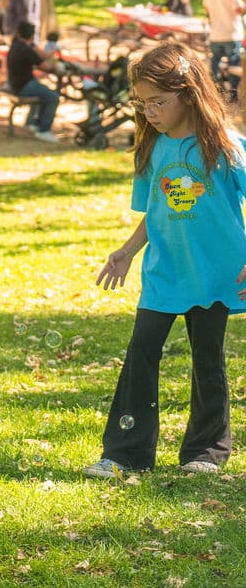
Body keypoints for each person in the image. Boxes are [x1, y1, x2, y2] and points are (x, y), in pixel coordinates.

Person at [84, 43, 246, 479]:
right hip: (165, 273)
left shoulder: (225, 146)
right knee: (141, 353)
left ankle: (206, 451)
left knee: (207, 358)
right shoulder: (152, 148)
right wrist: (126, 251)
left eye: (158, 101)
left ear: (189, 93)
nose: (149, 111)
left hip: (215, 272)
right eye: (142, 102)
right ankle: (125, 453)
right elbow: (155, 212)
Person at [7, 21, 60, 143]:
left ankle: (32, 123)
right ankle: (44, 130)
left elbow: (41, 56)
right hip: (23, 86)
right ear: (31, 36)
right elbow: (46, 67)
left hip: (15, 83)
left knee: (42, 90)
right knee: (53, 97)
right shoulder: (25, 49)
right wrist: (54, 61)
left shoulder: (16, 44)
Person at [202, 0, 245, 102]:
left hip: (216, 33)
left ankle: (213, 91)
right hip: (231, 33)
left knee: (215, 63)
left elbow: (206, 7)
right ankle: (232, 95)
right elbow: (238, 10)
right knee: (233, 64)